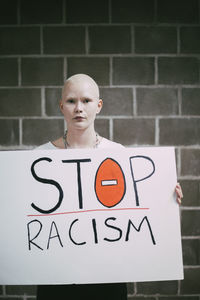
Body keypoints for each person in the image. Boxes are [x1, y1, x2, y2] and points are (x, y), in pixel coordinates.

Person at [36, 73, 183, 299]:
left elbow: (140, 209)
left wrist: (166, 196)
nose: (79, 108)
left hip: (107, 280)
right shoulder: (39, 159)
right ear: (61, 106)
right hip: (56, 281)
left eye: (86, 101)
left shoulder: (118, 155)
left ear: (99, 106)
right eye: (71, 101)